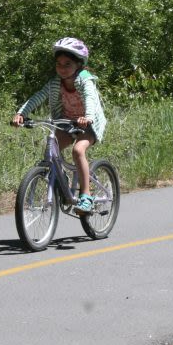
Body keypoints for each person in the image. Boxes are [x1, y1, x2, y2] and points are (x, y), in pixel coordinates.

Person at [11, 37, 107, 213]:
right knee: (51, 148)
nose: (62, 68)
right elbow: (38, 96)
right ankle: (61, 180)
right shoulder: (56, 82)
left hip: (88, 124)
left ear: (78, 64)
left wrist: (88, 117)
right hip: (66, 122)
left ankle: (86, 196)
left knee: (78, 151)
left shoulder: (85, 79)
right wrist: (21, 113)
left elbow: (90, 98)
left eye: (67, 64)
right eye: (59, 64)